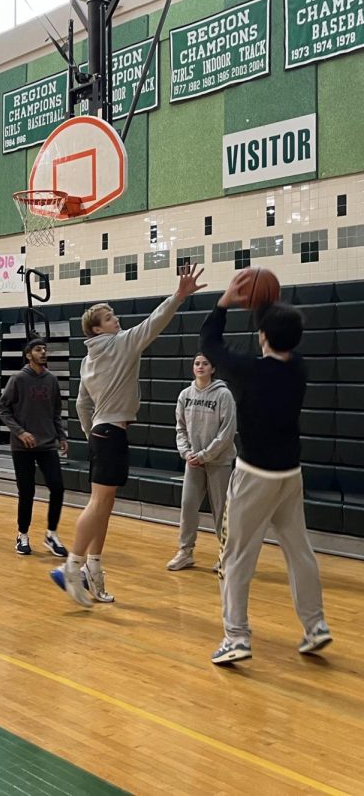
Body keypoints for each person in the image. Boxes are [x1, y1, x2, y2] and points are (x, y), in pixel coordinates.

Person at [50, 263, 206, 608]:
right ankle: (71, 566)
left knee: (104, 506)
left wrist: (92, 433)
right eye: (110, 317)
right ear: (96, 328)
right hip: (111, 432)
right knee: (98, 504)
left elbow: (80, 404)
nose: (116, 320)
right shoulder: (120, 344)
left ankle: (93, 568)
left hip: (104, 433)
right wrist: (179, 295)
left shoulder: (87, 360)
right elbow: (154, 323)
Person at [200, 270, 332, 665]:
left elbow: (209, 342)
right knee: (299, 551)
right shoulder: (299, 368)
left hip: (254, 476)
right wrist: (267, 308)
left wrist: (224, 302)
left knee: (236, 557)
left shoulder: (250, 372)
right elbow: (278, 332)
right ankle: (316, 626)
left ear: (262, 337)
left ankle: (236, 636)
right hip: (290, 475)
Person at [0, 338, 68, 558]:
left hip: (47, 444)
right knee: (26, 492)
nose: (44, 352)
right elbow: (2, 409)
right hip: (22, 446)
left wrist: (61, 435)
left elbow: (56, 412)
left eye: (45, 349)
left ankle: (51, 534)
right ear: (29, 355)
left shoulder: (52, 380)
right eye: (38, 349)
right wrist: (20, 432)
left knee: (57, 487)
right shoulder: (18, 379)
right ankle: (22, 535)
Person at [167, 353, 236, 572]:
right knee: (188, 506)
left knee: (221, 511)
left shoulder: (224, 395)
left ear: (212, 368)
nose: (200, 367)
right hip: (193, 462)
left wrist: (205, 454)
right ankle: (185, 552)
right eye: (197, 363)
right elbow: (180, 427)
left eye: (205, 363)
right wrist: (186, 452)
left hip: (219, 462)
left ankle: (227, 556)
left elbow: (227, 432)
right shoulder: (185, 395)